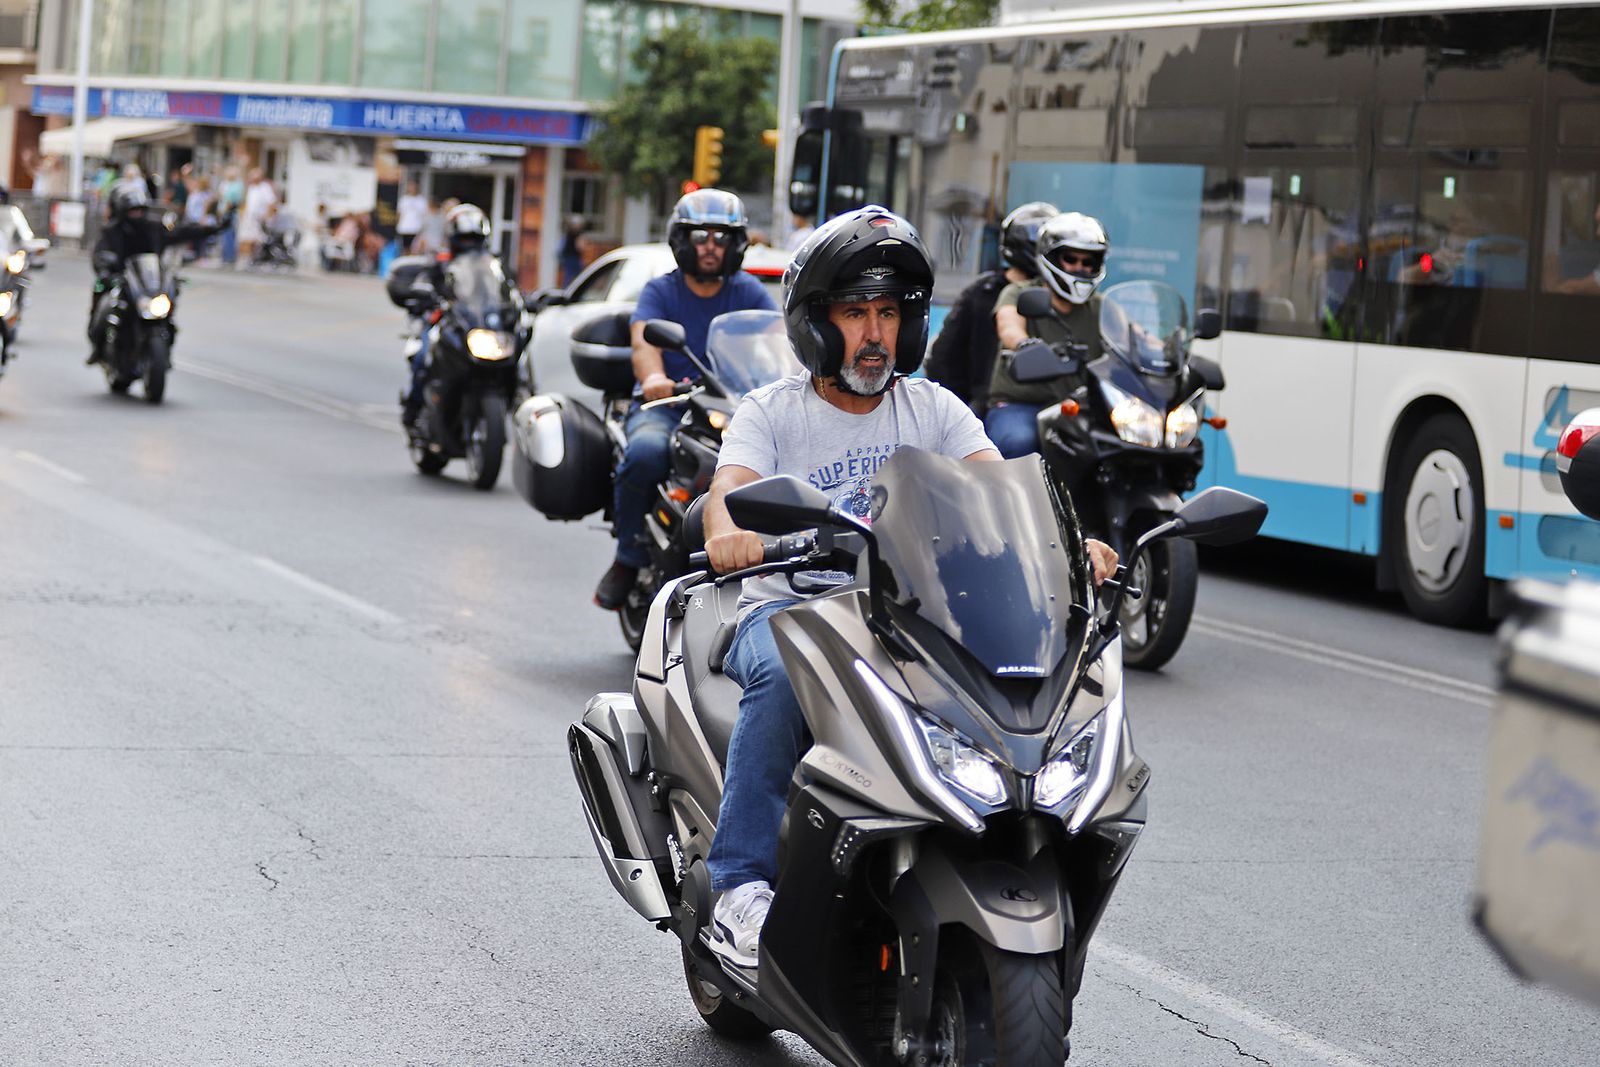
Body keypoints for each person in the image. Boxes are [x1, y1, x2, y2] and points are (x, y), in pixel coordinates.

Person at [697, 205, 1119, 967]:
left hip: (904, 610)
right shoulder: (773, 411)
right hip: (795, 604)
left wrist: (1064, 541)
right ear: (817, 323)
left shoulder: (933, 409)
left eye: (889, 313)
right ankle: (738, 887)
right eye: (855, 312)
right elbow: (731, 485)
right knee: (781, 681)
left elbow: (1000, 486)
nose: (875, 333)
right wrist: (729, 532)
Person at [591, 188, 777, 611]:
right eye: (700, 236)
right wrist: (655, 377)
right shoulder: (661, 292)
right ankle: (627, 557)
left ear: (735, 244)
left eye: (720, 236)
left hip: (728, 408)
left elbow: (776, 340)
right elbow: (644, 343)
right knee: (644, 453)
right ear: (682, 240)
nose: (710, 246)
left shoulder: (748, 293)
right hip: (669, 407)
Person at [984, 211, 1110, 459]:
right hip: (1021, 404)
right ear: (1051, 258)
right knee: (1019, 442)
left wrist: (1166, 355)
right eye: (1070, 259)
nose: (1080, 268)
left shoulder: (1102, 307)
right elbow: (1008, 325)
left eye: (1088, 262)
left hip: (1080, 408)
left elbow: (1134, 337)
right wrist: (1023, 344)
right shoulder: (1018, 293)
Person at [925, 200, 1057, 412]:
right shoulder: (982, 293)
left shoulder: (1067, 297)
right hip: (993, 408)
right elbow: (944, 356)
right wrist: (960, 410)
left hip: (1055, 405)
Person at [86, 179, 216, 364]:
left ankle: (164, 347)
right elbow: (100, 254)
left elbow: (181, 232)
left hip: (147, 284)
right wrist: (105, 269)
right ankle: (99, 349)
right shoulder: (111, 231)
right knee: (103, 310)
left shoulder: (153, 228)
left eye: (139, 210)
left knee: (169, 302)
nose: (136, 214)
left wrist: (212, 229)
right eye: (132, 211)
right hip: (121, 282)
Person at [400, 203, 495, 426]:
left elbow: (504, 291)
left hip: (475, 325)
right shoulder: (441, 262)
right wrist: (425, 296)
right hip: (445, 322)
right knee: (424, 357)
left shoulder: (491, 265)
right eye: (465, 238)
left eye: (473, 238)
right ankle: (413, 408)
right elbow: (422, 281)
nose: (469, 243)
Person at [237, 168, 276, 266]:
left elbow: (271, 203)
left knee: (255, 239)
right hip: (249, 217)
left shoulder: (265, 187)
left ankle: (253, 259)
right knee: (245, 238)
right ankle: (246, 259)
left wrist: (267, 216)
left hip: (258, 218)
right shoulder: (251, 188)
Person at [395, 180, 429, 253]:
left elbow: (424, 215)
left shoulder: (421, 200)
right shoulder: (404, 199)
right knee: (405, 248)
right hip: (404, 228)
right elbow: (399, 213)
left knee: (415, 248)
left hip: (416, 228)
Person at [558, 215, 585, 285]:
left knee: (569, 275)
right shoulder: (577, 234)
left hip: (569, 257)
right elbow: (579, 247)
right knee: (573, 276)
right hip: (573, 257)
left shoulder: (569, 233)